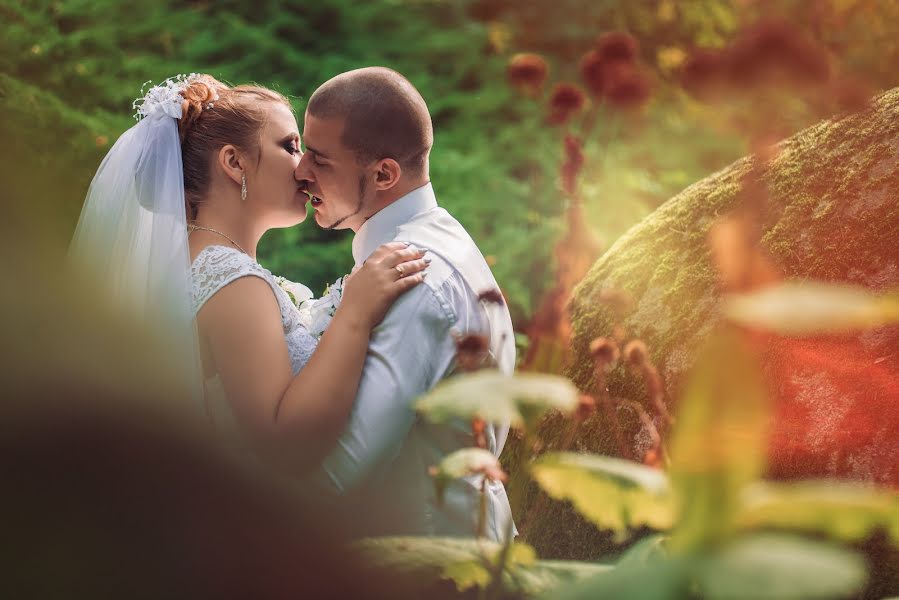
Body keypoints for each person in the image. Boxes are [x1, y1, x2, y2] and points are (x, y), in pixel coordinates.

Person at [69, 74, 429, 472]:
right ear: (234, 163)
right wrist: (355, 315)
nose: (306, 167)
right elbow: (283, 444)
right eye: (291, 146)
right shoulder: (232, 280)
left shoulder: (197, 263)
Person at [295, 67, 516, 541]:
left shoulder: (415, 278)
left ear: (383, 173)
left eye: (320, 159)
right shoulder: (428, 244)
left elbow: (342, 472)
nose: (301, 172)